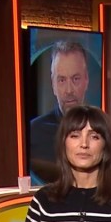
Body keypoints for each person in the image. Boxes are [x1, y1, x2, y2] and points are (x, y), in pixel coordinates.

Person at [29, 40, 90, 185]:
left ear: (86, 80)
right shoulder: (33, 132)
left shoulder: (100, 131)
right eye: (62, 80)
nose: (69, 90)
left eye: (75, 79)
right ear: (53, 84)